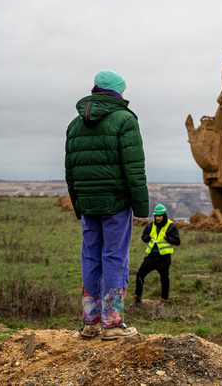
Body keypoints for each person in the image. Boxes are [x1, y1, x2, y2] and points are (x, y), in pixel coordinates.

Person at [65, 70, 149, 340]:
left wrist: (78, 203)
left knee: (90, 257)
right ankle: (112, 325)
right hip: (116, 203)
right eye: (123, 90)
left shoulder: (74, 125)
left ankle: (90, 323)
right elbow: (134, 167)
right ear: (117, 92)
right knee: (114, 258)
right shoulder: (125, 120)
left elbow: (71, 171)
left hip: (88, 204)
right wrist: (141, 207)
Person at [130, 204, 181, 309]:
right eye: (156, 216)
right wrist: (148, 237)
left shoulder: (171, 226)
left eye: (160, 216)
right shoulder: (150, 225)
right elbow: (144, 238)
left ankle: (164, 301)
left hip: (164, 258)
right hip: (151, 257)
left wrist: (167, 238)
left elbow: (177, 241)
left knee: (164, 279)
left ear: (164, 215)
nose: (158, 218)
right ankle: (137, 299)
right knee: (140, 274)